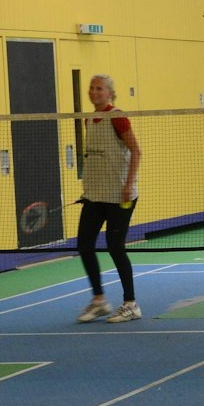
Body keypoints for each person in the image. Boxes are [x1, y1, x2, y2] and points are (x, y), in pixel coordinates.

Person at [76, 74, 142, 323]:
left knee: (115, 246)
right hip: (95, 196)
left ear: (110, 93)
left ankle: (131, 304)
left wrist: (128, 184)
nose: (94, 92)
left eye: (99, 88)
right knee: (84, 244)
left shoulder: (117, 117)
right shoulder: (87, 121)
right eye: (91, 88)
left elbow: (136, 150)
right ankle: (99, 300)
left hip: (120, 195)